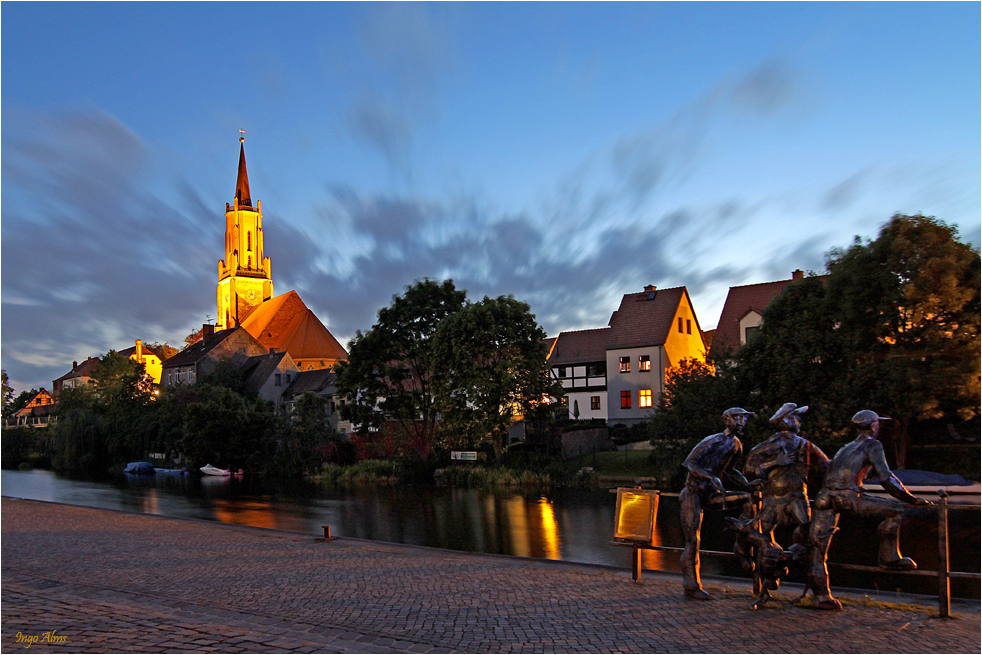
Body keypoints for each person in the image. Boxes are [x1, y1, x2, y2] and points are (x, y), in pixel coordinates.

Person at [807, 410, 932, 610]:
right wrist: (911, 499)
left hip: (824, 496)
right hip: (848, 496)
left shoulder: (846, 447)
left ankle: (821, 596)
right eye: (878, 424)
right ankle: (889, 558)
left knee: (818, 549)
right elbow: (886, 477)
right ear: (874, 426)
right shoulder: (872, 445)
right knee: (895, 510)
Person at [679, 407, 759, 600]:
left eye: (744, 419)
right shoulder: (713, 440)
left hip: (714, 494)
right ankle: (692, 584)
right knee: (693, 540)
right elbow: (690, 463)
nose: (741, 422)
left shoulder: (737, 445)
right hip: (694, 493)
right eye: (738, 418)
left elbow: (730, 470)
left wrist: (747, 483)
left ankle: (742, 545)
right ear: (727, 419)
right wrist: (710, 477)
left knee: (749, 499)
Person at [744, 403, 829, 554]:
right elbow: (749, 469)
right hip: (773, 497)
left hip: (797, 495)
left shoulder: (804, 444)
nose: (800, 422)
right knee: (764, 530)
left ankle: (795, 552)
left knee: (806, 525)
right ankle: (764, 558)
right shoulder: (771, 445)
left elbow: (826, 464)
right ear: (788, 421)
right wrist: (775, 462)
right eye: (797, 418)